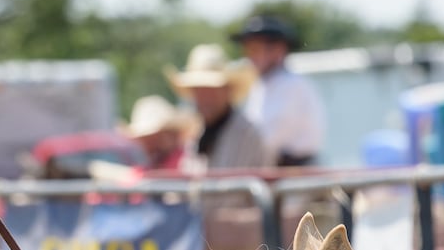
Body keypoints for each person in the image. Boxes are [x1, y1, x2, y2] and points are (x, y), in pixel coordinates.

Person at [233, 14, 326, 166]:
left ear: (278, 50)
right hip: (276, 171)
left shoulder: (291, 85)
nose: (250, 57)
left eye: (255, 49)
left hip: (296, 174)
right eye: (248, 50)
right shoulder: (262, 86)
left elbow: (266, 138)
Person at [165, 43, 273, 171]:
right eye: (199, 90)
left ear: (227, 91)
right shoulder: (198, 134)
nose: (205, 97)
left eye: (212, 90)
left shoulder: (245, 133)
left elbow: (227, 187)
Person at [118, 94, 199, 172]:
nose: (149, 143)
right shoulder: (154, 163)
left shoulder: (187, 161)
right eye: (145, 138)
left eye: (153, 137)